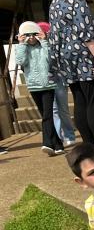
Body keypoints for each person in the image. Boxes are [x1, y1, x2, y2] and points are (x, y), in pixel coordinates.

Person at [48, 0, 94, 150]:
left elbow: (54, 34)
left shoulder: (55, 4)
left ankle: (88, 144)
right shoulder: (78, 0)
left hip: (65, 58)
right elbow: (85, 31)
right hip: (84, 55)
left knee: (80, 100)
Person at [15, 21, 64, 157]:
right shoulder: (23, 48)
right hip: (33, 86)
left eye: (33, 34)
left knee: (47, 115)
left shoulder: (44, 46)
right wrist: (21, 44)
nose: (31, 38)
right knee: (45, 115)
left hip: (48, 85)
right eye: (27, 35)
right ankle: (58, 144)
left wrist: (44, 42)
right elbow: (20, 61)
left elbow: (50, 59)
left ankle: (47, 143)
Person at [36, 20, 77, 148]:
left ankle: (69, 135)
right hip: (46, 80)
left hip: (58, 77)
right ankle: (58, 137)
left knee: (62, 108)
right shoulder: (34, 47)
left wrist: (45, 42)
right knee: (53, 110)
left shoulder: (54, 44)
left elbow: (54, 58)